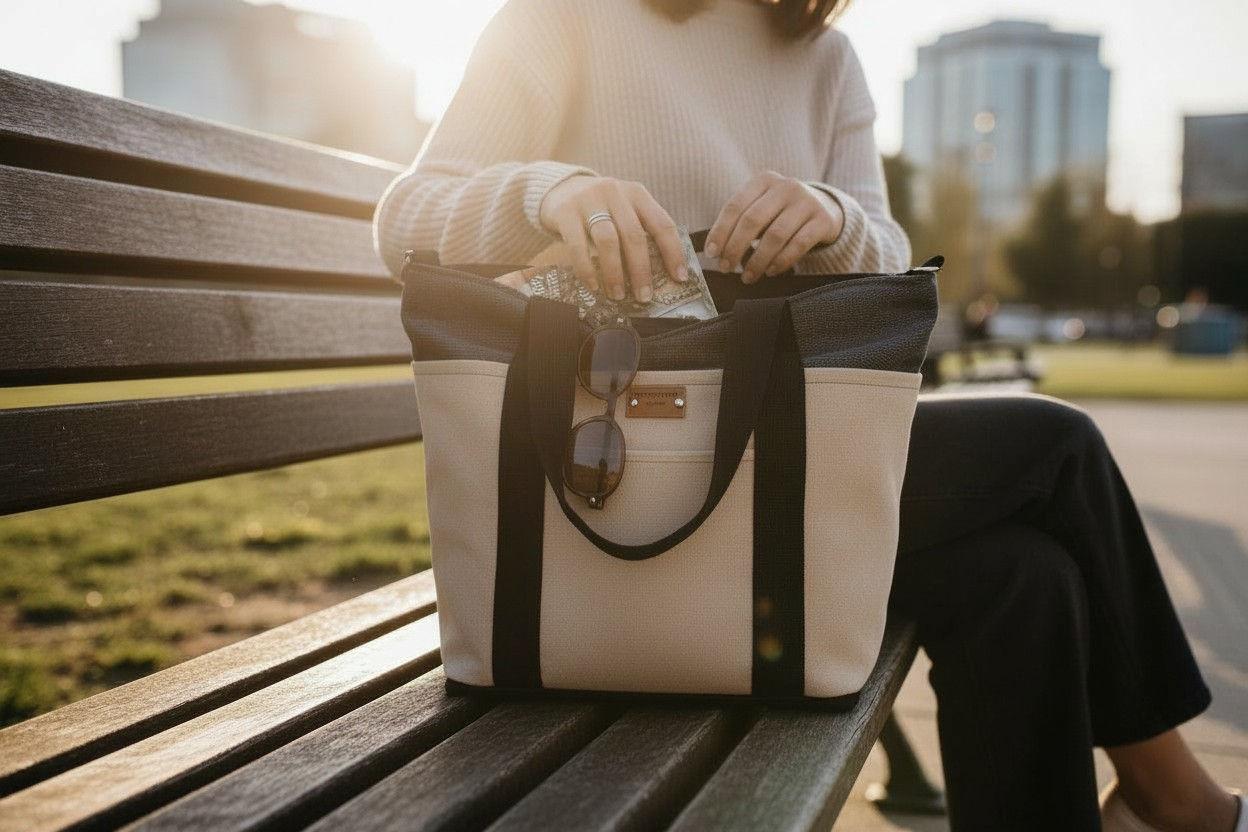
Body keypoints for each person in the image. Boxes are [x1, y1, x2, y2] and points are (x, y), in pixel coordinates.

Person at [373, 1, 1244, 829]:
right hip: (608, 475)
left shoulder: (826, 57)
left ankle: (1167, 806)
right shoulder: (561, 18)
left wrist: (834, 217)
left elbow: (888, 255)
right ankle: (1174, 803)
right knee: (1055, 447)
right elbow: (404, 216)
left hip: (786, 481)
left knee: (1020, 575)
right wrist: (547, 193)